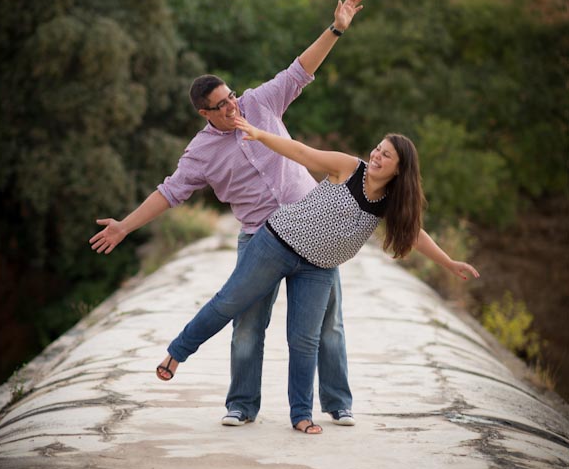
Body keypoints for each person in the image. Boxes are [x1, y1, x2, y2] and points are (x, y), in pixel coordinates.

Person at [90, 0, 364, 427]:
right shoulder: (200, 153)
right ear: (205, 113)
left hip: (313, 232)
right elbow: (170, 192)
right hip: (262, 241)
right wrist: (124, 226)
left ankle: (337, 402)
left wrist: (336, 29)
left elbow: (301, 70)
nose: (232, 105)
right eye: (221, 104)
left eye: (230, 96)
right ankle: (241, 405)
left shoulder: (261, 102)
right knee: (247, 328)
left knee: (326, 328)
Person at [155, 117, 480, 434]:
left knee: (304, 340)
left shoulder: (390, 201)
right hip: (275, 245)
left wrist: (449, 262)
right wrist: (258, 134)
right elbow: (301, 153)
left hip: (318, 269)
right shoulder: (350, 168)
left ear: (400, 169)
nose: (377, 156)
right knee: (228, 304)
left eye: (386, 155)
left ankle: (301, 415)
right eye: (378, 149)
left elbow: (415, 234)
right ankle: (177, 353)